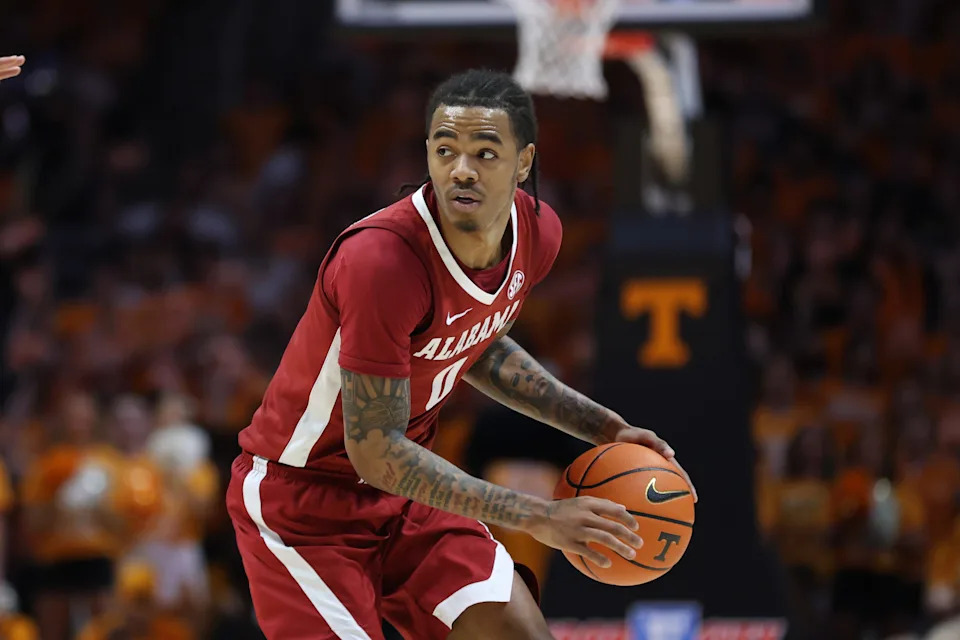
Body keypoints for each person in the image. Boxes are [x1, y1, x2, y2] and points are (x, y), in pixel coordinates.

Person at [226, 68, 696, 640]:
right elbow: (375, 452)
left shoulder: (537, 234)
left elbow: (479, 342)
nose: (462, 169)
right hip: (302, 503)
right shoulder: (381, 262)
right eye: (445, 150)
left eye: (485, 152)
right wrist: (541, 517)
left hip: (406, 495)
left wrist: (603, 427)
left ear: (524, 163)